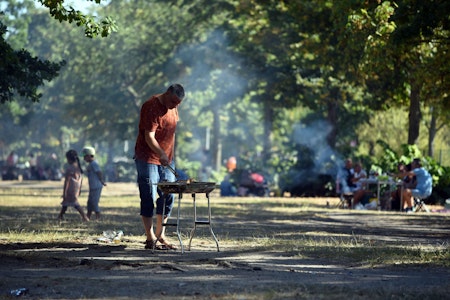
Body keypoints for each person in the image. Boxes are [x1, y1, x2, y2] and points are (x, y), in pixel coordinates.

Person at [134, 83, 185, 250]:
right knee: (148, 194)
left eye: (177, 104)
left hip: (167, 160)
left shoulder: (174, 107)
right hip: (147, 158)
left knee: (169, 194)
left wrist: (170, 155)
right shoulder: (151, 107)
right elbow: (149, 136)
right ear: (167, 93)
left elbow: (172, 133)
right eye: (173, 102)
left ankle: (160, 234)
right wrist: (161, 153)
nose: (174, 106)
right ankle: (150, 238)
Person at [58, 150, 89, 222]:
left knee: (75, 204)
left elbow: (66, 182)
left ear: (69, 159)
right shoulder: (78, 167)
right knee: (65, 203)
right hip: (76, 189)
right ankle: (60, 216)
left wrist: (64, 192)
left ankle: (85, 217)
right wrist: (79, 189)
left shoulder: (70, 169)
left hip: (70, 189)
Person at [82, 146, 107, 220]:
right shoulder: (90, 164)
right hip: (93, 186)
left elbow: (99, 172)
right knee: (90, 202)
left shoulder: (94, 164)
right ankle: (87, 217)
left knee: (94, 202)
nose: (84, 158)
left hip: (96, 186)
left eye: (85, 156)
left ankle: (98, 217)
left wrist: (102, 181)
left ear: (89, 155)